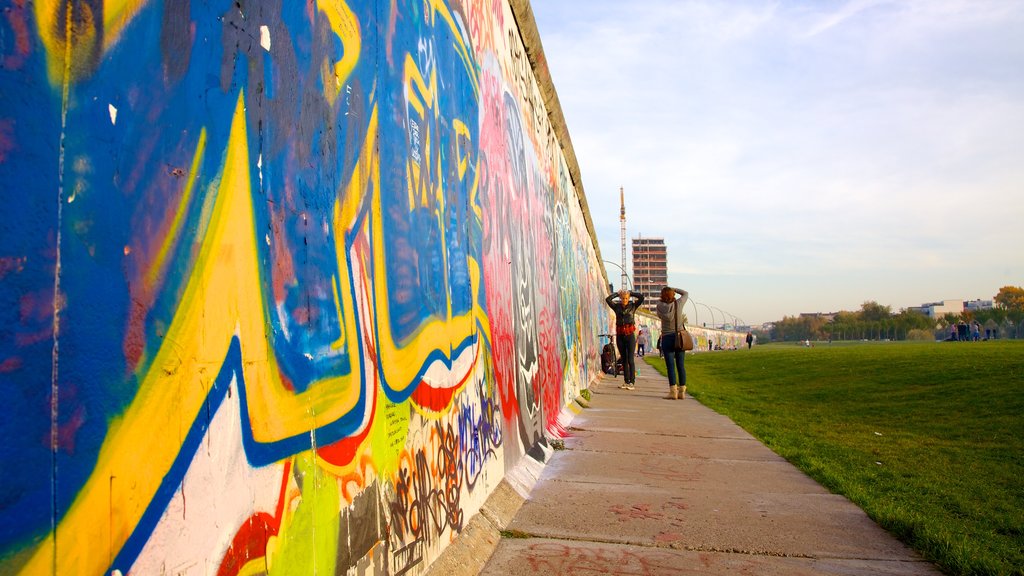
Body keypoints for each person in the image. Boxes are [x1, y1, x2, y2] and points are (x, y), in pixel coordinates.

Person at [605, 289, 644, 390]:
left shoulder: (633, 306)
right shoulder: (616, 307)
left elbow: (641, 297)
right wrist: (617, 294)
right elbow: (608, 300)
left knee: (630, 360)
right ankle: (626, 381)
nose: (624, 300)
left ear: (629, 298)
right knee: (624, 360)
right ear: (620, 298)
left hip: (630, 335)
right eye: (622, 298)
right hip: (620, 336)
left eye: (626, 298)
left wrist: (631, 293)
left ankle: (632, 382)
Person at [656, 286, 689, 399]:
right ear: (673, 295)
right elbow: (685, 293)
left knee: (670, 366)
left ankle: (673, 391)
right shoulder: (679, 304)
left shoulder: (659, 305)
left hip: (667, 337)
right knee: (680, 365)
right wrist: (675, 289)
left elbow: (659, 315)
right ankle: (682, 391)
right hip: (679, 337)